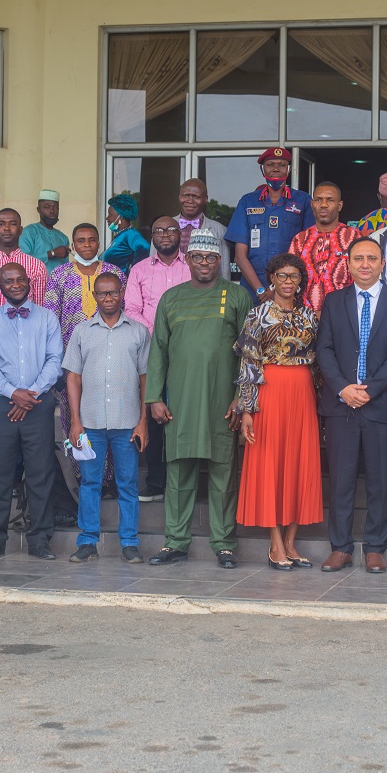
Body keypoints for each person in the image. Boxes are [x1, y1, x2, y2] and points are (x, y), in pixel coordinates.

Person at [145, 229, 251, 569]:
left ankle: (224, 544)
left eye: (211, 257)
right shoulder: (171, 298)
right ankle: (175, 542)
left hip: (223, 403)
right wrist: (154, 398)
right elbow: (158, 351)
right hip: (180, 403)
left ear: (220, 261)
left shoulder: (237, 296)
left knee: (224, 476)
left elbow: (250, 352)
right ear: (188, 260)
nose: (204, 263)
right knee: (178, 475)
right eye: (198, 257)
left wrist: (241, 397)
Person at [316, 238, 387, 574]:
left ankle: (375, 548)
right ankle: (340, 548)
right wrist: (343, 388)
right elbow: (324, 349)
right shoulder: (334, 301)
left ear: (382, 263)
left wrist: (369, 390)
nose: (365, 264)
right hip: (341, 405)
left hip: (382, 406)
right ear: (348, 263)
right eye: (358, 258)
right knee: (340, 481)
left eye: (372, 258)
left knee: (381, 481)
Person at [235, 253, 322, 570]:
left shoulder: (310, 316)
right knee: (270, 463)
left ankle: (290, 542)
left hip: (303, 393)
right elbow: (248, 362)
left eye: (294, 276)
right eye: (281, 275)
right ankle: (275, 544)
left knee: (300, 463)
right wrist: (247, 409)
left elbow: (318, 361)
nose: (287, 281)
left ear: (300, 281)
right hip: (269, 391)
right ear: (271, 278)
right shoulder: (257, 314)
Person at [0, 262, 64, 560]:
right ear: (0, 286)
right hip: (2, 403)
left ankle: (40, 539)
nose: (15, 285)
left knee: (40, 473)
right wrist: (14, 393)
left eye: (20, 279)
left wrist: (31, 393)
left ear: (29, 282)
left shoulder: (48, 318)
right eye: (9, 281)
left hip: (38, 402)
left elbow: (55, 360)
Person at [63, 272, 150, 563]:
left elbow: (146, 378)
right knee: (90, 483)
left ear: (122, 293)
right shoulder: (82, 332)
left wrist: (143, 421)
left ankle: (130, 542)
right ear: (95, 296)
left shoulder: (138, 332)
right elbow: (73, 378)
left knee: (128, 484)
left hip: (128, 422)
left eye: (113, 292)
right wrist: (75, 421)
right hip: (91, 422)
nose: (108, 298)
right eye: (102, 293)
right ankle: (88, 541)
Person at [44, 223, 127, 490]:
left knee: (110, 416)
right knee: (74, 416)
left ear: (99, 243)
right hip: (73, 362)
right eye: (81, 240)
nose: (87, 245)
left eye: (92, 240)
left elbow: (125, 311)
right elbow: (51, 320)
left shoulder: (115, 273)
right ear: (73, 245)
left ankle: (109, 479)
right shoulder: (59, 275)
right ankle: (83, 475)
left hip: (112, 357)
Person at [125, 215, 191, 502]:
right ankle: (155, 482)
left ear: (180, 235)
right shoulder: (139, 270)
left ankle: (181, 484)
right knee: (152, 414)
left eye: (171, 230)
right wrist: (159, 334)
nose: (165, 234)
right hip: (150, 351)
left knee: (182, 415)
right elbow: (131, 309)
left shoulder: (193, 267)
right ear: (152, 236)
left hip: (186, 352)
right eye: (159, 230)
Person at [226, 147, 314, 303]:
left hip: (290, 288)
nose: (276, 169)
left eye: (281, 165)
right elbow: (239, 256)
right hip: (253, 290)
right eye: (270, 164)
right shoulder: (247, 201)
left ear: (288, 169)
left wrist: (277, 289)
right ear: (262, 169)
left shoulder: (303, 201)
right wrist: (261, 291)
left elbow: (308, 251)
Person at [288, 181, 365, 313]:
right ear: (312, 205)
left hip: (344, 315)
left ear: (339, 206)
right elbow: (290, 279)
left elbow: (364, 279)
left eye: (330, 200)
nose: (323, 205)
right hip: (304, 317)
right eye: (318, 200)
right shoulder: (300, 240)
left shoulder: (354, 238)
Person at [0, 208, 48, 313]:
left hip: (25, 323)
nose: (6, 228)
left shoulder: (37, 266)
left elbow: (40, 307)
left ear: (20, 230)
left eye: (12, 224)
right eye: (1, 224)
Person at [171, 179, 230, 281]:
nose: (190, 201)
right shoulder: (163, 228)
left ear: (206, 199)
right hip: (170, 287)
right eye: (185, 195)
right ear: (179, 197)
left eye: (196, 197)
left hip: (206, 289)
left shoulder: (219, 231)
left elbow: (224, 272)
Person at [19, 189, 71, 273]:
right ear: (38, 209)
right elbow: (23, 261)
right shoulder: (29, 232)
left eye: (55, 207)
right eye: (47, 207)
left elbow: (66, 268)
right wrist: (52, 253)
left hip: (59, 281)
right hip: (35, 281)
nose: (52, 211)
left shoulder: (63, 237)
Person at [103, 193, 150, 274]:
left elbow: (144, 247)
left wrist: (132, 271)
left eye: (110, 214)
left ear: (120, 217)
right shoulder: (122, 234)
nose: (107, 218)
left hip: (122, 281)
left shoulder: (131, 234)